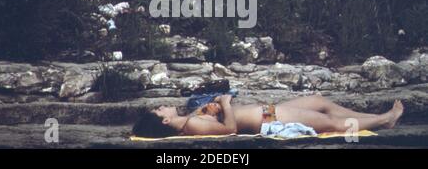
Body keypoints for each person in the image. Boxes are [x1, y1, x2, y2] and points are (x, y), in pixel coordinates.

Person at [132, 94, 404, 138]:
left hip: (268, 110)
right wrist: (225, 104)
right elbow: (229, 131)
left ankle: (373, 115)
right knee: (330, 123)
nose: (163, 106)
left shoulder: (190, 120)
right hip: (270, 118)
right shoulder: (191, 126)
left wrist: (210, 107)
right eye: (160, 110)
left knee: (319, 102)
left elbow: (212, 121)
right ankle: (383, 120)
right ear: (164, 121)